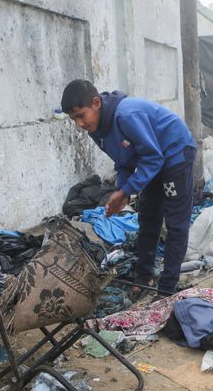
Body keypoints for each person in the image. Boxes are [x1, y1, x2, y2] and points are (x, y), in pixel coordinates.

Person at [61, 79, 197, 295]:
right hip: (152, 159)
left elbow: (154, 158)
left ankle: (167, 290)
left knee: (175, 223)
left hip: (174, 153)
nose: (79, 124)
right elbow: (124, 161)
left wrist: (126, 191)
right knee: (148, 217)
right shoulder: (96, 129)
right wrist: (121, 190)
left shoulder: (126, 115)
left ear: (96, 103)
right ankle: (144, 278)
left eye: (80, 116)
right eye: (73, 119)